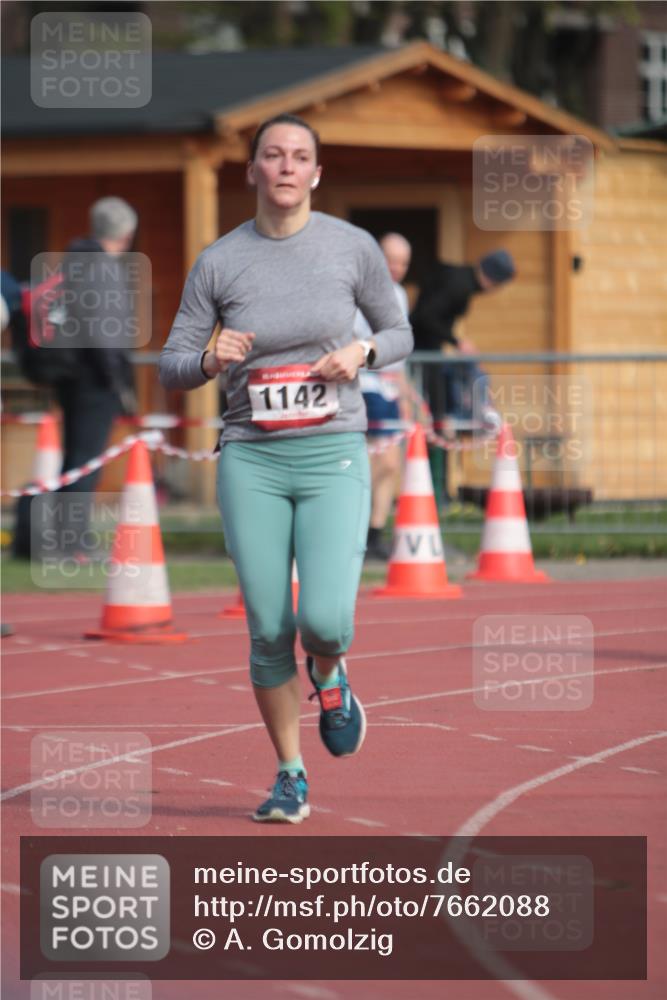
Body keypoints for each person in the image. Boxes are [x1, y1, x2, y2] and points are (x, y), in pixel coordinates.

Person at [159, 113, 413, 823]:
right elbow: (173, 365)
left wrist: (361, 354)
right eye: (272, 155)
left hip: (332, 450)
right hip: (252, 457)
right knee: (269, 626)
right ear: (253, 171)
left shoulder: (351, 248)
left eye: (300, 156)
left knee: (324, 621)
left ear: (316, 173)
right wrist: (211, 359)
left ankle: (329, 673)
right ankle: (289, 773)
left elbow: (398, 333)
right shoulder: (219, 260)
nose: (286, 167)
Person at [53, 197, 139, 558]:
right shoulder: (103, 268)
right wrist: (119, 382)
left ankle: (60, 538)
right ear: (126, 232)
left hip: (70, 374)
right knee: (86, 462)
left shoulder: (73, 261)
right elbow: (105, 335)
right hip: (95, 379)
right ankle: (74, 544)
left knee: (73, 459)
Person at [410, 250, 515, 501]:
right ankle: (437, 491)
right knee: (439, 418)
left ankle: (440, 490)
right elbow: (425, 316)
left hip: (430, 351)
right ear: (493, 279)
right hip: (423, 352)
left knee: (442, 418)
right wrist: (456, 341)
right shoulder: (460, 286)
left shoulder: (460, 279)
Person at [354, 232, 413, 560]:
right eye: (392, 260)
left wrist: (405, 392)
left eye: (403, 263)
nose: (397, 268)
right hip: (366, 385)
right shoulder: (360, 289)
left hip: (389, 387)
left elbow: (399, 346)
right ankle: (349, 512)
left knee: (391, 465)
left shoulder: (401, 295)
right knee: (384, 460)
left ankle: (373, 532)